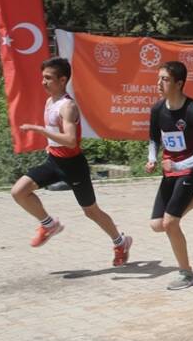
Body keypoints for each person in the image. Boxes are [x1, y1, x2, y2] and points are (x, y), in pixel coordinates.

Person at [12, 57, 132, 266]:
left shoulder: (68, 106)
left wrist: (41, 130)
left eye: (48, 78)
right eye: (43, 77)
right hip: (53, 162)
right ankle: (49, 224)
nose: (43, 82)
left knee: (91, 211)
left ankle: (120, 242)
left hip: (74, 166)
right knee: (19, 191)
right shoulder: (50, 102)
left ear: (62, 79)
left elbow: (69, 140)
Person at [147, 61, 193, 290]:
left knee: (170, 223)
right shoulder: (157, 109)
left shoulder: (192, 110)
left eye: (164, 79)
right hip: (170, 172)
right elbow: (154, 138)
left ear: (179, 83)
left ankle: (187, 273)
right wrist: (152, 158)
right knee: (157, 224)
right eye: (158, 78)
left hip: (191, 171)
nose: (159, 83)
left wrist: (180, 165)